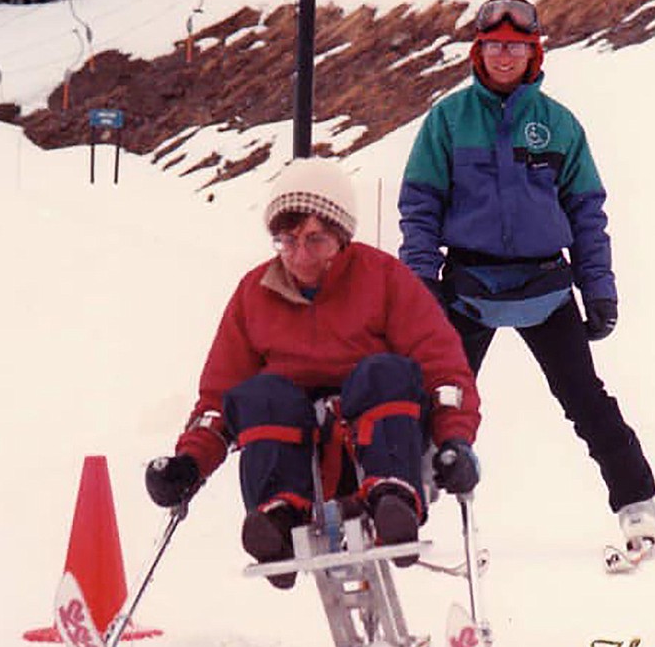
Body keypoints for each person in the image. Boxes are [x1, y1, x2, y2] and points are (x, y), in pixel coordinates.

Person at [397, 0, 655, 551]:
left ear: (533, 51)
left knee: (587, 401)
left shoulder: (559, 125)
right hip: (467, 290)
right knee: (437, 402)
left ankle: (638, 506)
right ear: (478, 50)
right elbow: (419, 210)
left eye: (516, 46)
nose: (504, 55)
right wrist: (420, 289)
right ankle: (401, 505)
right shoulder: (447, 120)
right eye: (494, 44)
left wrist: (599, 291)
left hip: (546, 288)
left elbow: (587, 213)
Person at [145, 157, 483, 588]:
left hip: (379, 440)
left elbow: (443, 368)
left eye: (315, 240)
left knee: (382, 372)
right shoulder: (255, 295)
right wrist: (190, 463)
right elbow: (219, 396)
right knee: (263, 393)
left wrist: (455, 440)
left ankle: (392, 497)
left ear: (341, 238)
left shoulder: (382, 279)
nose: (299, 256)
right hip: (298, 453)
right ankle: (277, 520)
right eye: (286, 241)